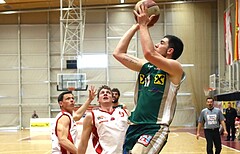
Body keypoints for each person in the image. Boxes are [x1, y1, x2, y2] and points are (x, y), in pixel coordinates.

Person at [113, 4, 185, 154]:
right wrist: (136, 26)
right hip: (134, 125)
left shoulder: (175, 68)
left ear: (170, 50)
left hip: (155, 127)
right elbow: (118, 53)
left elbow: (149, 53)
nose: (157, 44)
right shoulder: (146, 66)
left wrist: (144, 25)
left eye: (162, 43)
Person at [78, 85, 129, 154]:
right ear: (98, 100)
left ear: (112, 99)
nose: (105, 93)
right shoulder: (92, 115)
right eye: (102, 93)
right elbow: (83, 143)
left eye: (108, 92)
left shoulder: (124, 112)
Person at [52, 86, 96, 154]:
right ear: (61, 103)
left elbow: (78, 115)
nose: (72, 100)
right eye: (68, 99)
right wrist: (79, 153)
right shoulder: (64, 117)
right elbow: (62, 140)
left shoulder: (67, 115)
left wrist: (89, 99)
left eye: (72, 98)